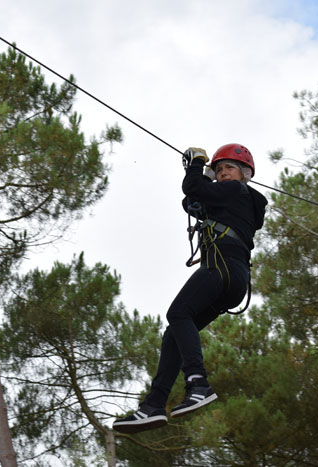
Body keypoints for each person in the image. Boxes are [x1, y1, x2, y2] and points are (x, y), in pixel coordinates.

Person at [113, 143, 268, 434]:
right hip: (232, 277)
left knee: (178, 313)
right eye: (219, 170)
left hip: (222, 267)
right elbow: (193, 200)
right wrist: (197, 195)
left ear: (245, 174)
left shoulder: (237, 190)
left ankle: (198, 383)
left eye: (228, 168)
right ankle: (153, 405)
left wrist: (197, 164)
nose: (222, 173)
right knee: (175, 333)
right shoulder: (236, 201)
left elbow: (193, 188)